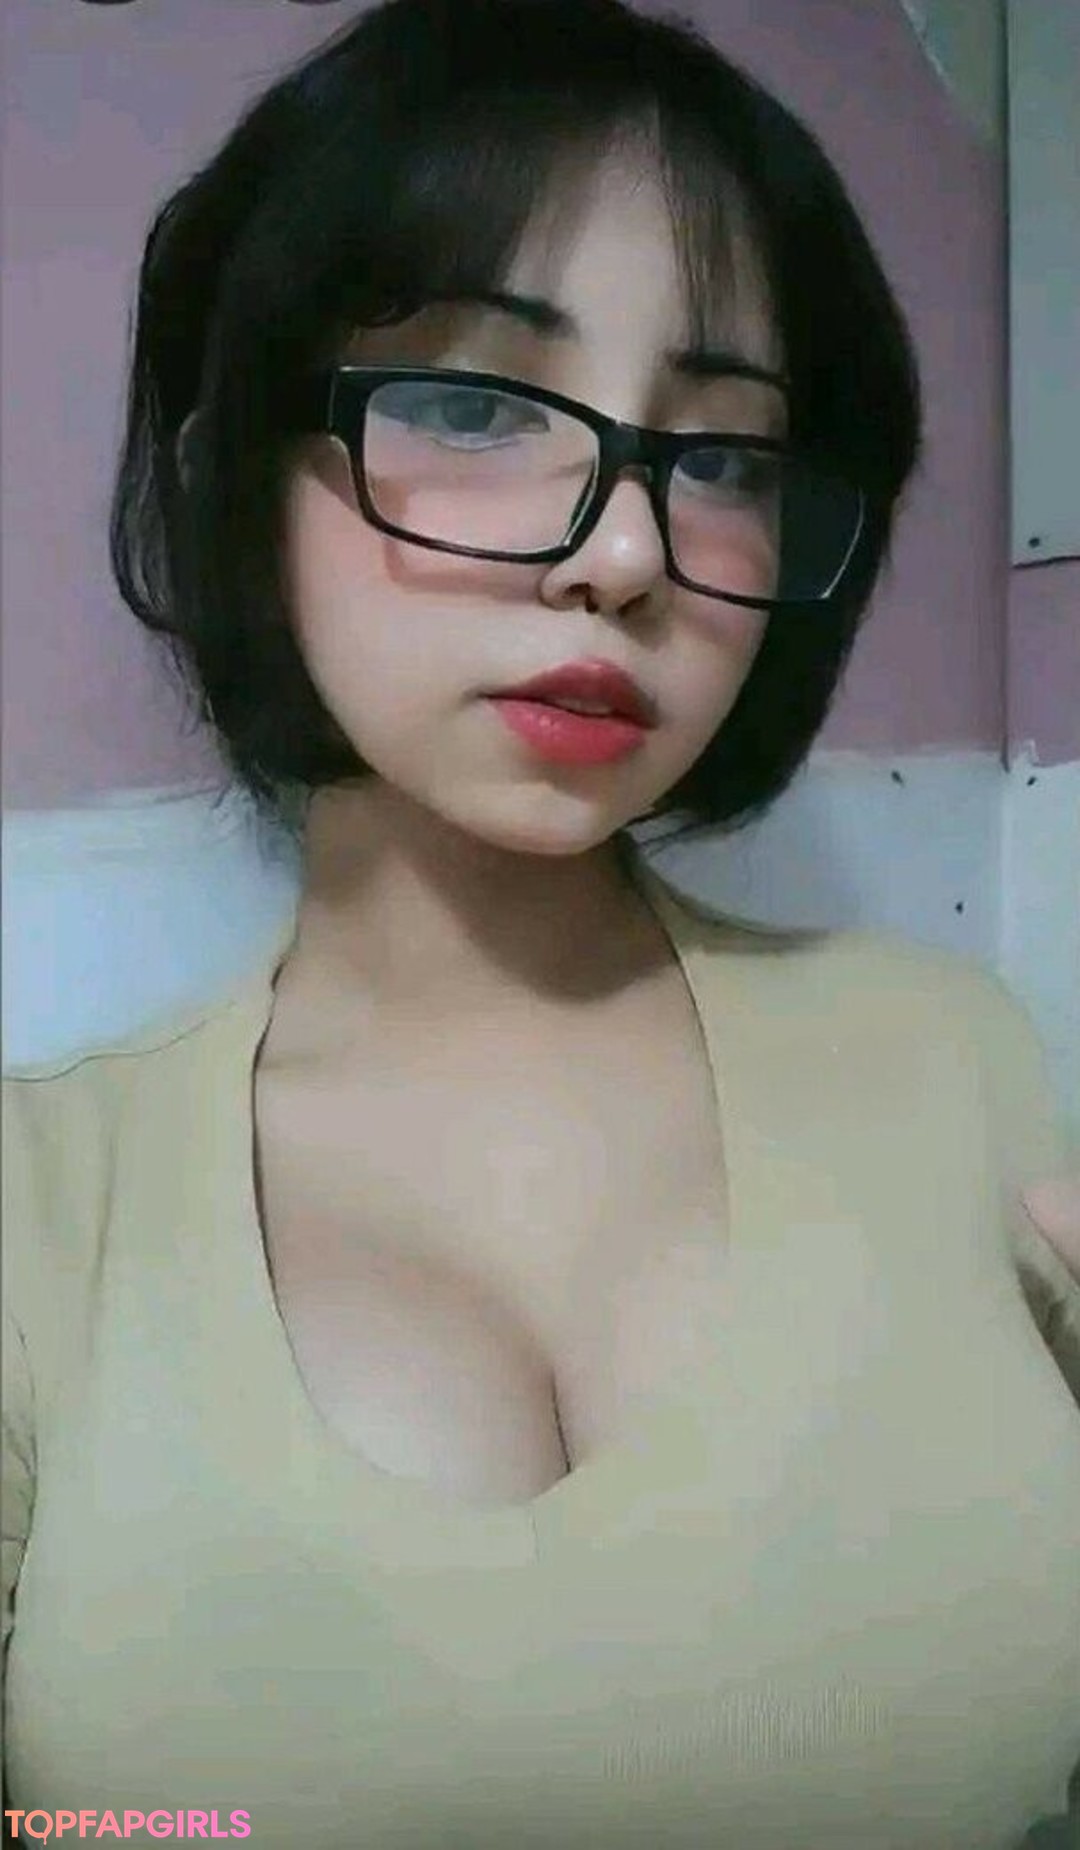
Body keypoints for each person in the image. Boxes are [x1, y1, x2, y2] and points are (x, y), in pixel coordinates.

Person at [3, 1, 1078, 1844]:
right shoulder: (41, 1214)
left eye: (726, 458)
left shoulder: (956, 1060)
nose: (629, 553)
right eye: (475, 404)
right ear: (237, 462)